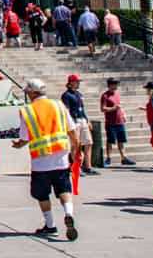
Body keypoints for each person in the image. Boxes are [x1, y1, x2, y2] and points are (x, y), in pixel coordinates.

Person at [12, 79, 80, 240]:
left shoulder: (27, 111)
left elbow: (24, 137)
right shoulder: (58, 105)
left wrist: (18, 144)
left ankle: (50, 225)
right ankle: (69, 213)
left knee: (42, 194)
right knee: (64, 189)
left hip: (40, 162)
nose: (27, 94)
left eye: (28, 91)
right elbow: (72, 131)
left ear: (33, 93)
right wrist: (75, 151)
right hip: (61, 157)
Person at [61, 75, 95, 174]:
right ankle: (76, 167)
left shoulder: (79, 94)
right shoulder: (66, 95)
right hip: (74, 121)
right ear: (71, 82)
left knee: (88, 142)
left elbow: (82, 108)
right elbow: (66, 110)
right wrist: (69, 123)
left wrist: (87, 120)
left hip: (82, 119)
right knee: (76, 145)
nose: (78, 83)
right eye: (76, 81)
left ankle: (88, 166)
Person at [100, 78, 134, 166]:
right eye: (114, 84)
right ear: (110, 85)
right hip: (111, 122)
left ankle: (123, 158)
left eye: (116, 84)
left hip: (120, 121)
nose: (116, 86)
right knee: (110, 141)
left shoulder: (117, 94)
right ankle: (108, 158)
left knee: (121, 141)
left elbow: (120, 106)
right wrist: (113, 108)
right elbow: (103, 109)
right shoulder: (105, 96)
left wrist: (123, 114)